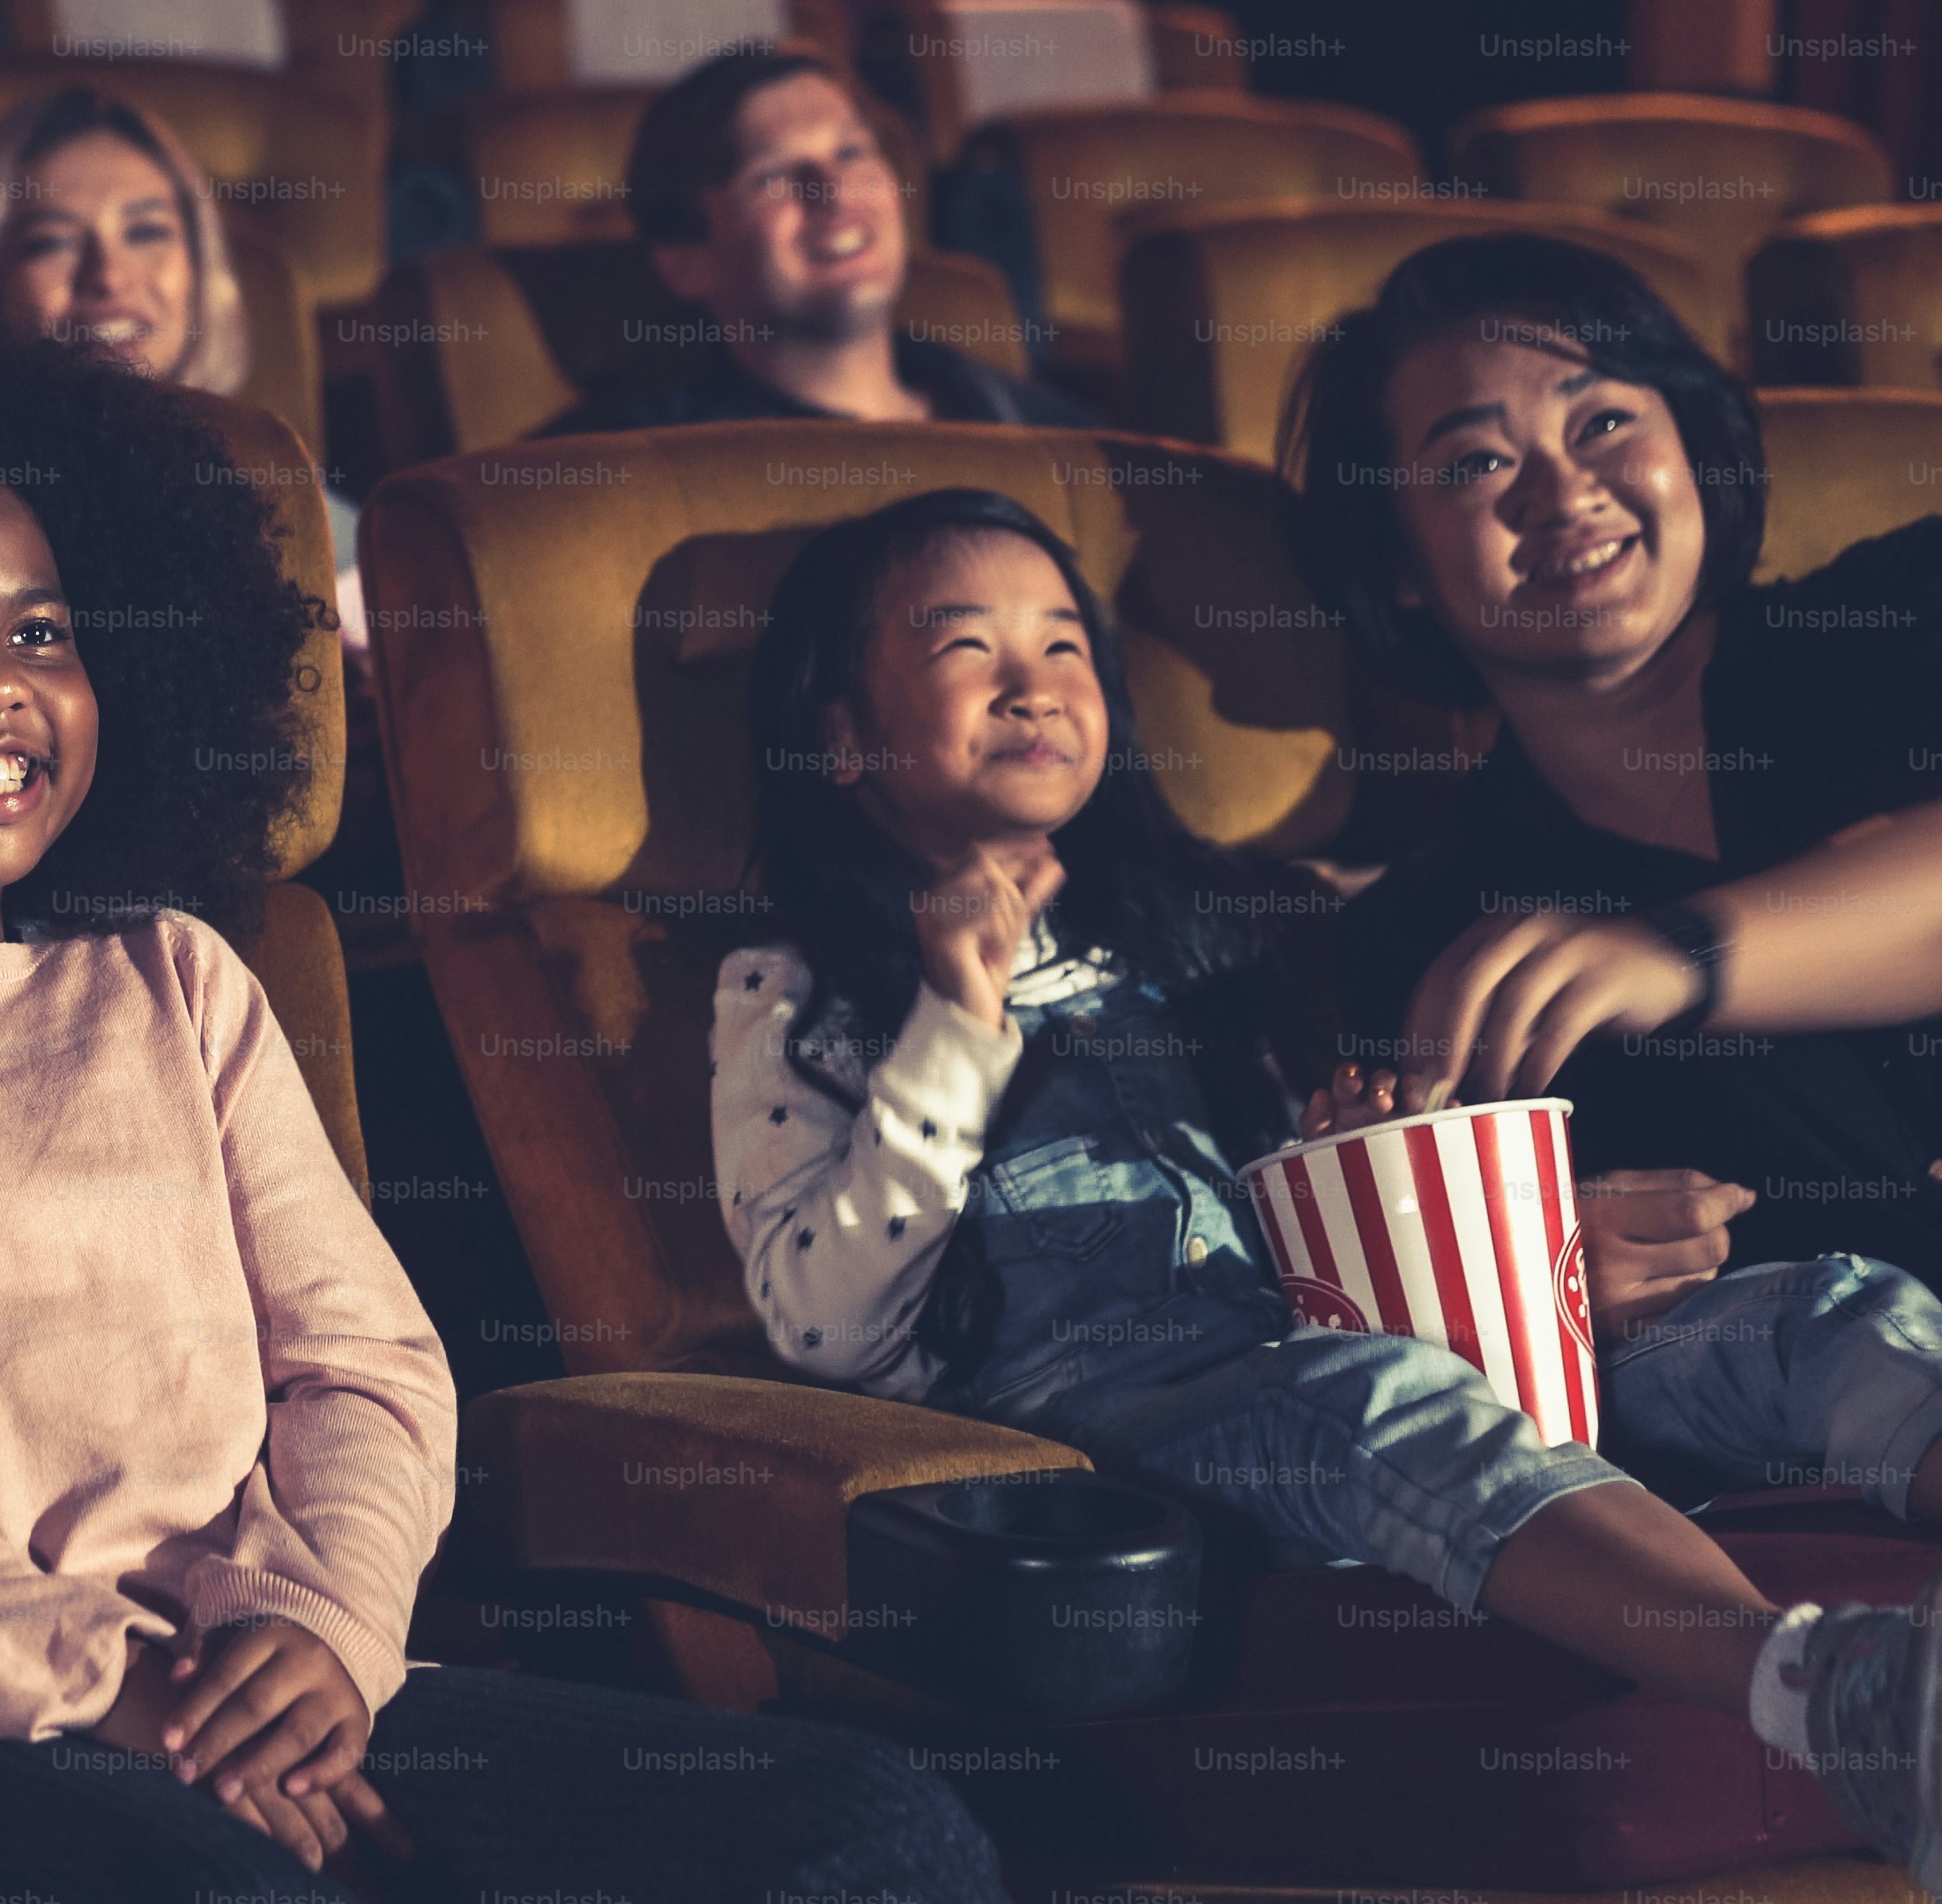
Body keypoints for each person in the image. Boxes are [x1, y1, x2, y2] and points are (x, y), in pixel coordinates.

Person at [0, 319, 1011, 1904]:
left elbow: (363, 1365)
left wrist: (321, 1636)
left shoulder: (176, 979)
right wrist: (119, 1685)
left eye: (43, 632)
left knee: (877, 1832)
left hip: (289, 1671)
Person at [714, 485, 1942, 1890]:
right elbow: (826, 1323)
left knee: (1813, 1310)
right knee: (1385, 1404)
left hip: (1324, 1324)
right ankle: (1841, 1697)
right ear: (845, 737)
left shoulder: (1204, 932)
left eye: (1063, 647)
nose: (1031, 686)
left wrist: (1387, 1166)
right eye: (964, 650)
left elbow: (1301, 1224)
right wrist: (952, 1025)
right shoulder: (794, 987)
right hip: (1119, 1402)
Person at [1305, 235, 1942, 1289]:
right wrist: (1548, 1273)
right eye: (1475, 464)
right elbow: (1450, 1290)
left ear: (1691, 441)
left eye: (1602, 421)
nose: (1562, 494)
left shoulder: (1904, 609)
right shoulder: (1428, 944)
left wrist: (1670, 957)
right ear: (1398, 563)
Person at [0, 86, 370, 671]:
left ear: (199, 271)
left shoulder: (272, 481)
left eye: (146, 232)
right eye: (50, 241)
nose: (109, 276)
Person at [541, 44, 1097, 437]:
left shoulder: (1037, 426)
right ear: (687, 263)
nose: (833, 192)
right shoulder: (626, 473)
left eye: (852, 152)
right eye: (774, 177)